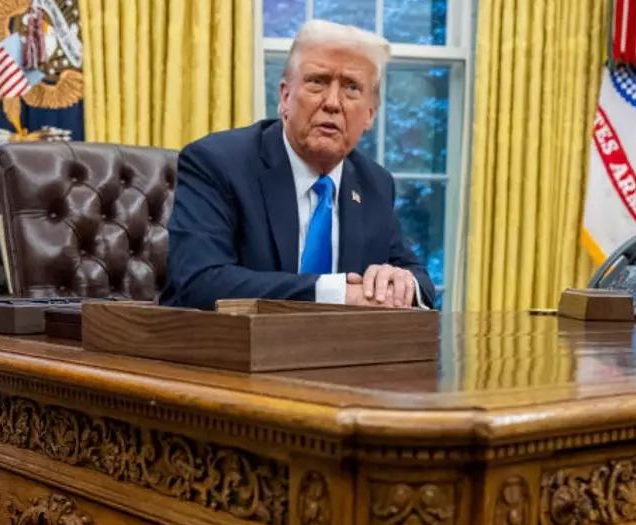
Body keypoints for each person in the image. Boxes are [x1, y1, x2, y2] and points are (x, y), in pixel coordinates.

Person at [165, 19, 436, 310]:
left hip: (334, 352)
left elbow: (419, 279)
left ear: (370, 114)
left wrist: (396, 283)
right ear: (285, 97)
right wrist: (337, 293)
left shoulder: (374, 183)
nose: (332, 102)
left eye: (351, 88)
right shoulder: (217, 162)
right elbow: (201, 282)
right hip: (219, 349)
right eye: (317, 81)